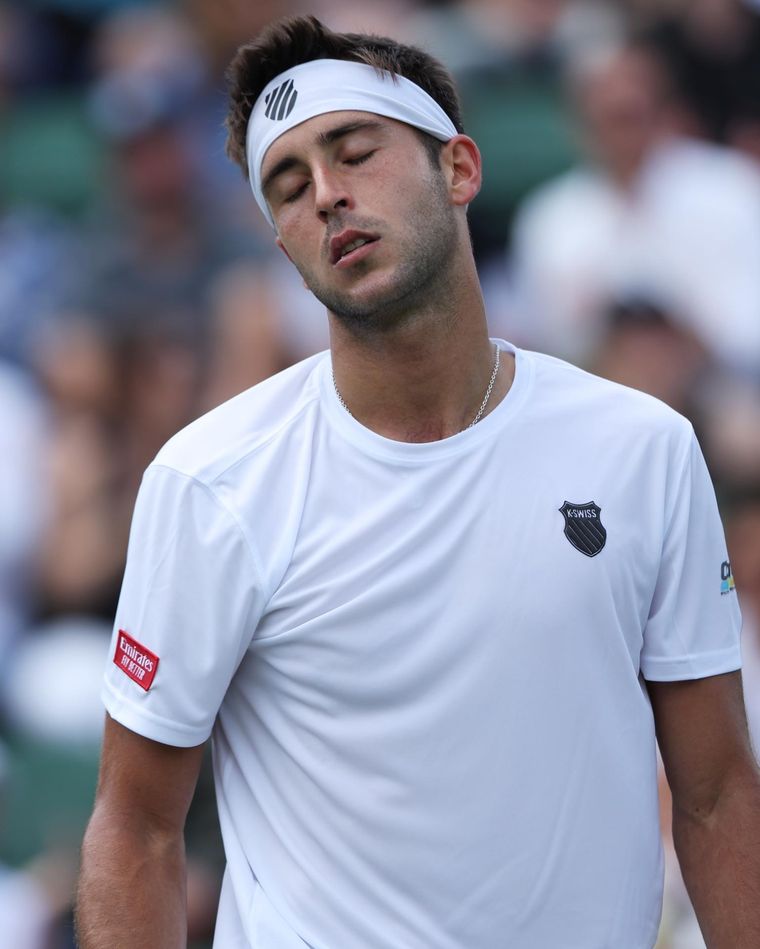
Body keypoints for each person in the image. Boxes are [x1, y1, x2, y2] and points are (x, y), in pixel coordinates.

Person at [75, 15, 760, 949]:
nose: (327, 194)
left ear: (460, 169)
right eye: (289, 187)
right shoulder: (209, 481)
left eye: (355, 153)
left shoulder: (645, 449)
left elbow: (717, 794)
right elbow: (136, 829)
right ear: (283, 246)